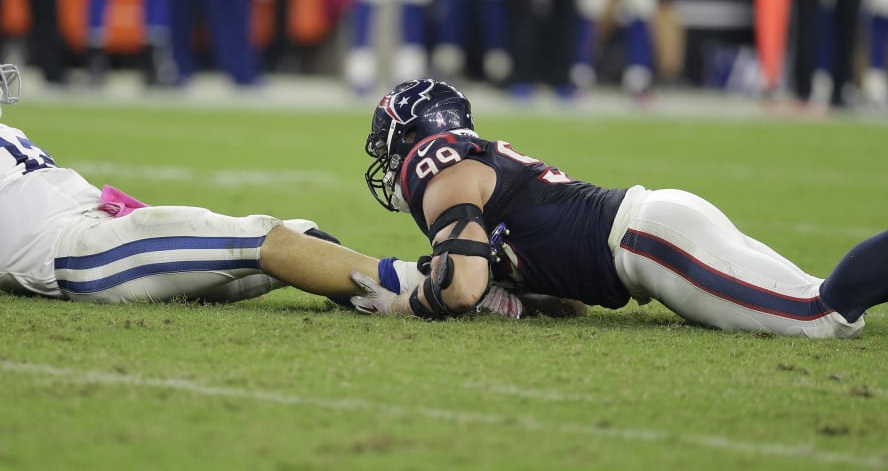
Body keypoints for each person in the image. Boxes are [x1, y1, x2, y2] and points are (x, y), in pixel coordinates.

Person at [0, 20, 429, 305]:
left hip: (97, 234)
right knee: (263, 237)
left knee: (302, 236)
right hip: (74, 253)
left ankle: (395, 293)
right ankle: (423, 286)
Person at [349, 79, 888, 338]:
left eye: (387, 142)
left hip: (650, 242)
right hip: (656, 229)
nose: (386, 158)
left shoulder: (434, 164)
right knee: (816, 297)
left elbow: (460, 285)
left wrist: (403, 304)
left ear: (415, 136)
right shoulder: (473, 166)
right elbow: (572, 301)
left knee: (823, 314)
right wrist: (513, 291)